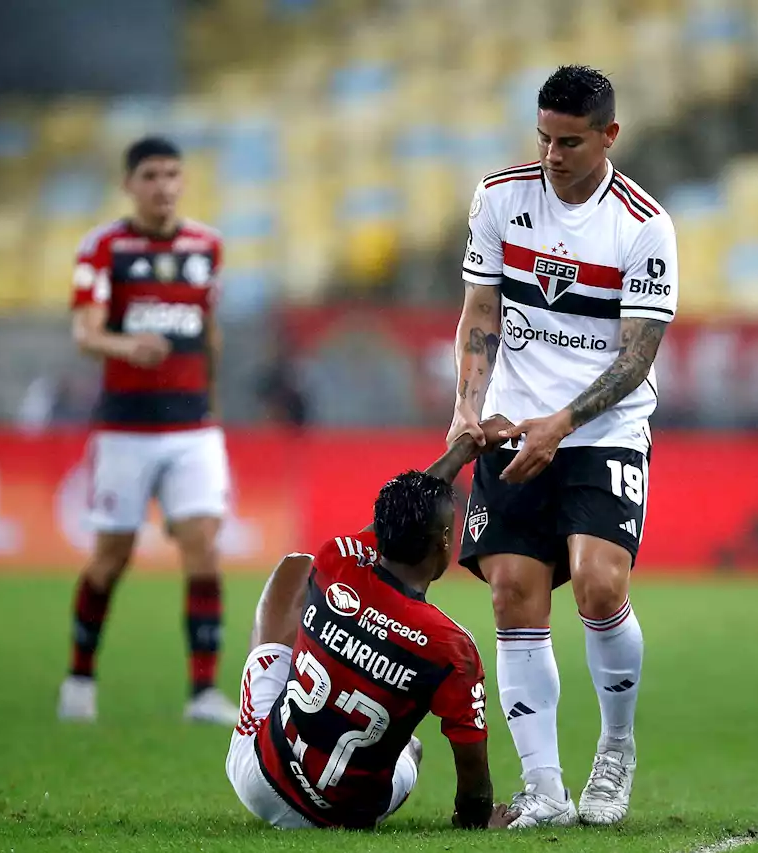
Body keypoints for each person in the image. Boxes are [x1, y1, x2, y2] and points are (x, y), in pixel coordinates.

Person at [448, 65, 679, 828]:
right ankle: (543, 786)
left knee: (598, 585)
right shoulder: (499, 196)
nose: (552, 154)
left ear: (609, 135)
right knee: (512, 590)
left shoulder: (643, 225)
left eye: (570, 141)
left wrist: (563, 423)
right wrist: (468, 405)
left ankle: (615, 748)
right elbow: (481, 304)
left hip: (602, 428)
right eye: (544, 137)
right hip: (515, 423)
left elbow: (635, 356)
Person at [226, 419, 519, 830]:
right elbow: (472, 773)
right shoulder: (451, 648)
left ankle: (281, 708)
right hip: (342, 817)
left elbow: (392, 520)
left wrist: (462, 451)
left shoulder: (337, 560)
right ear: (445, 544)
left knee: (295, 566)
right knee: (410, 750)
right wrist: (477, 819)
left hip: (258, 777)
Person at [59, 136, 234, 724]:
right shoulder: (105, 248)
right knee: (111, 557)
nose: (163, 186)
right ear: (129, 184)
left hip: (193, 429)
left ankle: (203, 693)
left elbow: (208, 329)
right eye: (151, 175)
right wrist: (125, 345)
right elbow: (85, 333)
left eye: (172, 174)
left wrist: (212, 406)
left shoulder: (207, 246)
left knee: (204, 550)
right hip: (125, 431)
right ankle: (80, 679)